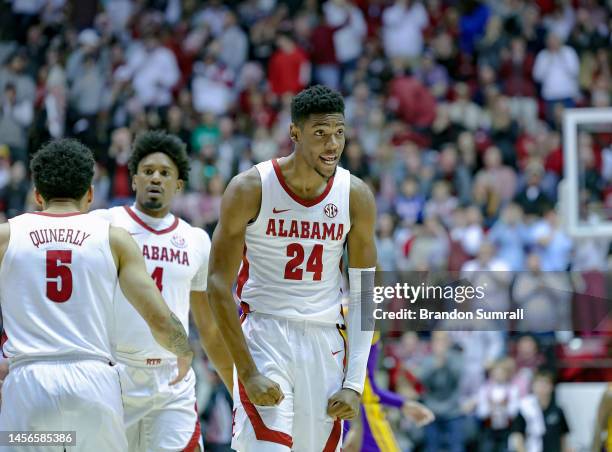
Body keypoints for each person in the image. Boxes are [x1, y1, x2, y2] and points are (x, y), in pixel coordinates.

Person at [208, 85, 432, 451]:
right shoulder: (250, 188)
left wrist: (354, 383)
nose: (332, 144)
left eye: (339, 133)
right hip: (266, 335)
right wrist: (246, 372)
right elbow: (217, 285)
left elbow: (364, 294)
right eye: (320, 133)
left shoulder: (355, 195)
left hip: (326, 343)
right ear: (294, 134)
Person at [0, 138, 193, 451]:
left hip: (28, 385)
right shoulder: (113, 238)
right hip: (94, 387)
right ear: (90, 194)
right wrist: (183, 349)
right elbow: (158, 317)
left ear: (37, 195)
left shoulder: (7, 235)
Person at [91, 130, 233, 452]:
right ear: (135, 179)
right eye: (148, 171)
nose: (156, 178)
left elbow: (208, 326)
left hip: (173, 378)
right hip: (114, 373)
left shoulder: (197, 240)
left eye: (165, 173)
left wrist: (236, 386)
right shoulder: (103, 223)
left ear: (178, 185)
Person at [342, 331, 434, 452]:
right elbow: (366, 389)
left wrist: (403, 403)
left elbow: (367, 387)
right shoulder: (362, 319)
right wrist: (356, 425)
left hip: (334, 414)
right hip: (363, 419)